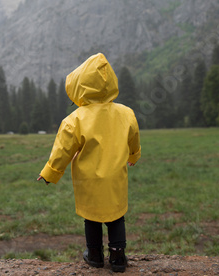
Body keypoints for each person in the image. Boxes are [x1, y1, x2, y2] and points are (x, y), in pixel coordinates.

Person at [37, 53, 141, 273]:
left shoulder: (75, 119)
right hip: (115, 178)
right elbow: (133, 138)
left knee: (91, 219)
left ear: (80, 86)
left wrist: (50, 172)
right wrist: (134, 156)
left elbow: (63, 150)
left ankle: (94, 255)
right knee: (116, 217)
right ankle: (118, 257)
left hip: (89, 181)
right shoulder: (126, 113)